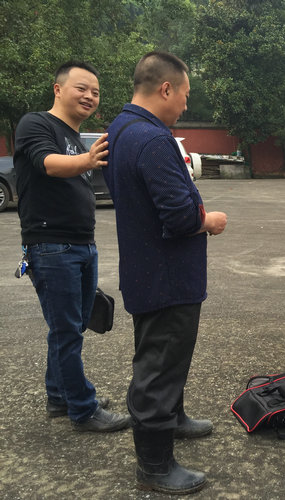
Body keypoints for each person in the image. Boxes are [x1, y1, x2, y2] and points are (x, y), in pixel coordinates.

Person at [104, 52, 228, 495]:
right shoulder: (154, 141)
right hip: (166, 277)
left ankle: (172, 418)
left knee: (164, 356)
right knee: (158, 365)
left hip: (145, 269)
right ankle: (154, 466)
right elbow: (179, 217)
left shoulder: (121, 129)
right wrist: (208, 219)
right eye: (185, 96)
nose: (186, 106)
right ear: (165, 89)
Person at [13, 61, 131, 433]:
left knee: (70, 328)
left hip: (81, 244)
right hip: (51, 246)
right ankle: (83, 408)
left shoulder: (74, 136)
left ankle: (59, 396)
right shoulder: (36, 124)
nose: (90, 97)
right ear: (58, 89)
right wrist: (88, 160)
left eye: (95, 92)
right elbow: (47, 164)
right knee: (66, 331)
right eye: (82, 88)